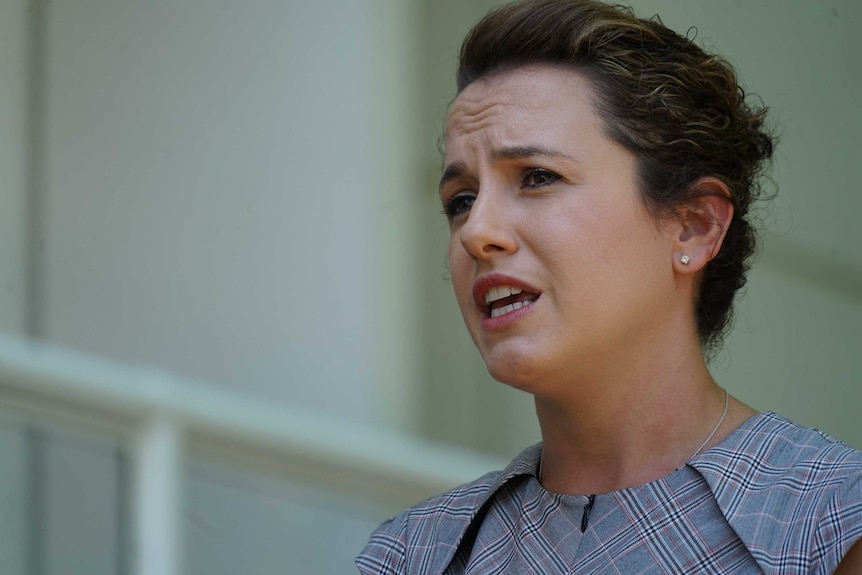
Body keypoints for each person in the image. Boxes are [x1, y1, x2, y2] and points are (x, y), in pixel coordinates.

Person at [357, 0, 862, 573]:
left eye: (538, 177)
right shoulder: (414, 553)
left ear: (693, 225)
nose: (477, 233)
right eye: (461, 201)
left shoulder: (832, 521)